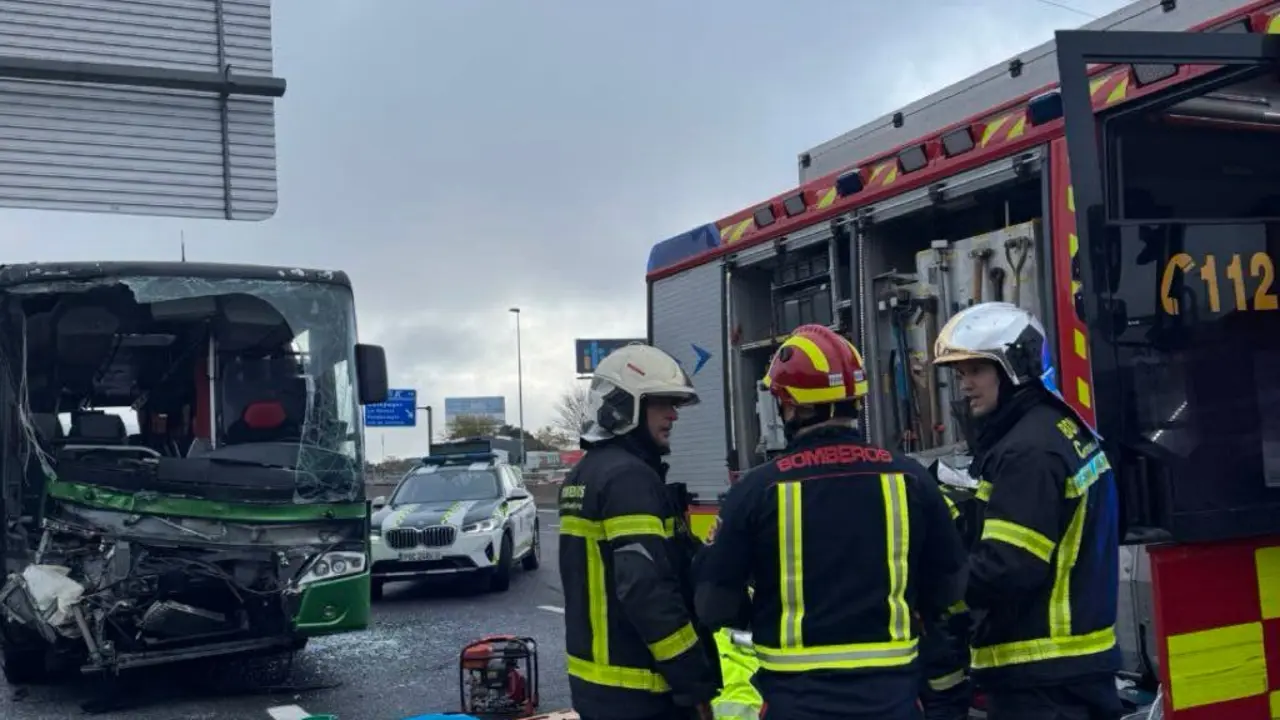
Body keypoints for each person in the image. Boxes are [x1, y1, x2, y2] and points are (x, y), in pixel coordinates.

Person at [694, 324, 967, 720]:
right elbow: (951, 586)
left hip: (797, 703)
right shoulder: (912, 480)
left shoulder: (756, 491)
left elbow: (711, 605)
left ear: (791, 405)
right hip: (893, 701)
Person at [932, 301, 1122, 720]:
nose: (964, 385)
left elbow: (1009, 567)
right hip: (1071, 669)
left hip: (1042, 676)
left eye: (977, 370)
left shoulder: (1026, 452)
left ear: (1013, 366)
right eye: (961, 374)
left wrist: (933, 587)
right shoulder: (1055, 428)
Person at [559, 343, 721, 720]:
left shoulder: (584, 474)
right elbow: (646, 590)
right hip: (643, 693)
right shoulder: (628, 478)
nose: (673, 416)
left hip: (598, 687)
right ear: (624, 406)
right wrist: (692, 681)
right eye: (662, 403)